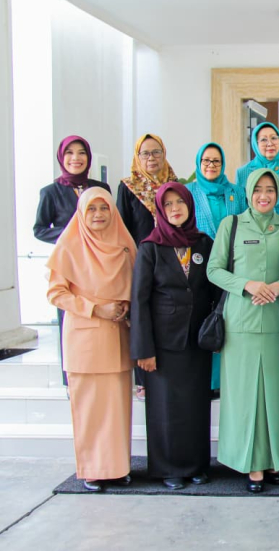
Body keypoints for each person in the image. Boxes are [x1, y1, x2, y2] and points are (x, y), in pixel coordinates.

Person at [207, 168, 279, 493]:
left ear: (278, 193)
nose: (264, 196)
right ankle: (250, 464)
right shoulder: (230, 225)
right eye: (258, 189)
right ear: (248, 193)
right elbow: (213, 269)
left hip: (276, 322)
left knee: (275, 394)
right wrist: (247, 285)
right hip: (240, 323)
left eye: (270, 189)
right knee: (244, 395)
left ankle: (274, 460)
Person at [46, 187, 136, 493]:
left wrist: (126, 305)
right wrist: (96, 308)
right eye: (92, 209)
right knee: (89, 410)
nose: (99, 215)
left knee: (116, 409)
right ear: (81, 213)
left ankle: (118, 468)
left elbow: (138, 284)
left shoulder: (124, 244)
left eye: (104, 208)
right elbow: (56, 293)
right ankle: (93, 470)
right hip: (84, 340)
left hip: (117, 337)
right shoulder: (69, 246)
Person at [130, 183, 216, 490]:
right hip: (163, 344)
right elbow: (139, 301)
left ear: (190, 206)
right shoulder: (150, 247)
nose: (175, 208)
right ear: (160, 210)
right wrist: (143, 350)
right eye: (168, 204)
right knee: (165, 408)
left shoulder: (203, 243)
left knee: (195, 406)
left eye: (180, 202)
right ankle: (168, 468)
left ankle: (196, 465)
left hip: (197, 341)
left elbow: (215, 288)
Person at [35, 135, 110, 386]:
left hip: (100, 262)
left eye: (81, 153)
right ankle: (71, 378)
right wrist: (72, 233)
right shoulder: (51, 192)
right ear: (61, 157)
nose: (75, 158)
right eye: (69, 153)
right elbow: (39, 229)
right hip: (71, 263)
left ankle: (103, 369)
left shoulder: (100, 188)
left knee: (102, 316)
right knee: (70, 317)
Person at [118, 133, 178, 399]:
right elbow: (122, 229)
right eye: (145, 153)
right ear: (137, 157)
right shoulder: (128, 187)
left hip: (171, 260)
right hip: (140, 261)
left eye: (156, 152)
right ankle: (142, 379)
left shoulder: (175, 185)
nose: (151, 158)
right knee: (142, 316)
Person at [185, 142, 247, 396]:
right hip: (199, 262)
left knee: (228, 318)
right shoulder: (188, 192)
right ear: (199, 163)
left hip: (232, 264)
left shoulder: (236, 192)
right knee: (203, 316)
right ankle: (206, 381)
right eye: (206, 161)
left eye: (216, 161)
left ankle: (225, 380)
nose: (211, 165)